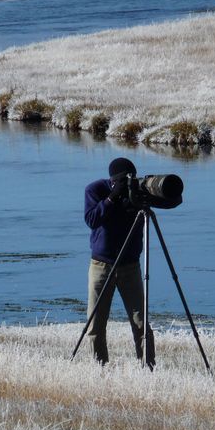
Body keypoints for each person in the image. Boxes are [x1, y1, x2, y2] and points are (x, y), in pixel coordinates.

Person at [84, 157, 155, 368]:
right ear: (113, 180)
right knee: (95, 323)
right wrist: (112, 199)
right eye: (124, 180)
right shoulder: (95, 189)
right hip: (101, 266)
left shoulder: (138, 191)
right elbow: (91, 220)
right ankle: (101, 369)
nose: (128, 183)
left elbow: (169, 201)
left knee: (140, 323)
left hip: (130, 266)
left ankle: (148, 368)